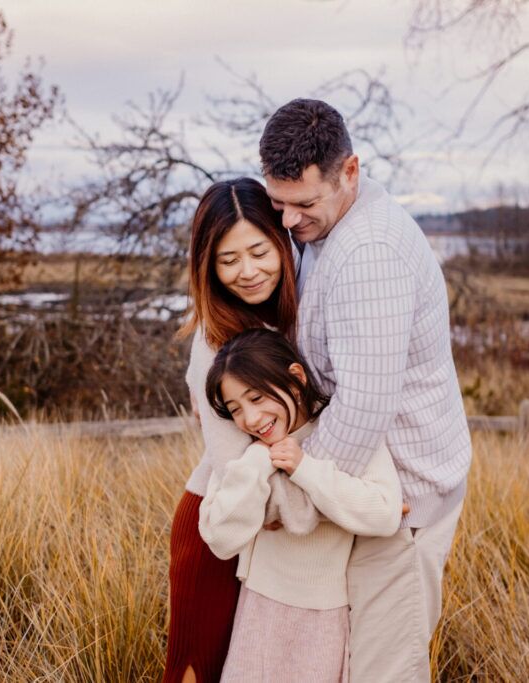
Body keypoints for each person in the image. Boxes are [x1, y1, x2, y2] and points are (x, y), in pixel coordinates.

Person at [259, 98, 473, 682]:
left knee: (384, 672)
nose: (286, 221)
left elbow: (362, 406)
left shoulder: (367, 253)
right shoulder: (330, 226)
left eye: (303, 203)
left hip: (402, 501)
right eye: (277, 202)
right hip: (368, 495)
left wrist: (292, 499)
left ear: (349, 171)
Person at [198, 328, 402, 683]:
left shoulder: (342, 434)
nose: (250, 418)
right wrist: (259, 461)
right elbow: (219, 536)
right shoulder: (246, 452)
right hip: (258, 605)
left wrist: (304, 468)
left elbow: (384, 513)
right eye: (236, 409)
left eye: (257, 398)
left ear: (295, 379)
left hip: (322, 612)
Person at [163, 177, 299, 683]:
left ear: (281, 241)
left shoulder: (282, 319)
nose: (248, 271)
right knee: (195, 673)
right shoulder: (212, 341)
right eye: (227, 260)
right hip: (216, 525)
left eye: (259, 251)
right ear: (208, 265)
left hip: (262, 536)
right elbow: (231, 467)